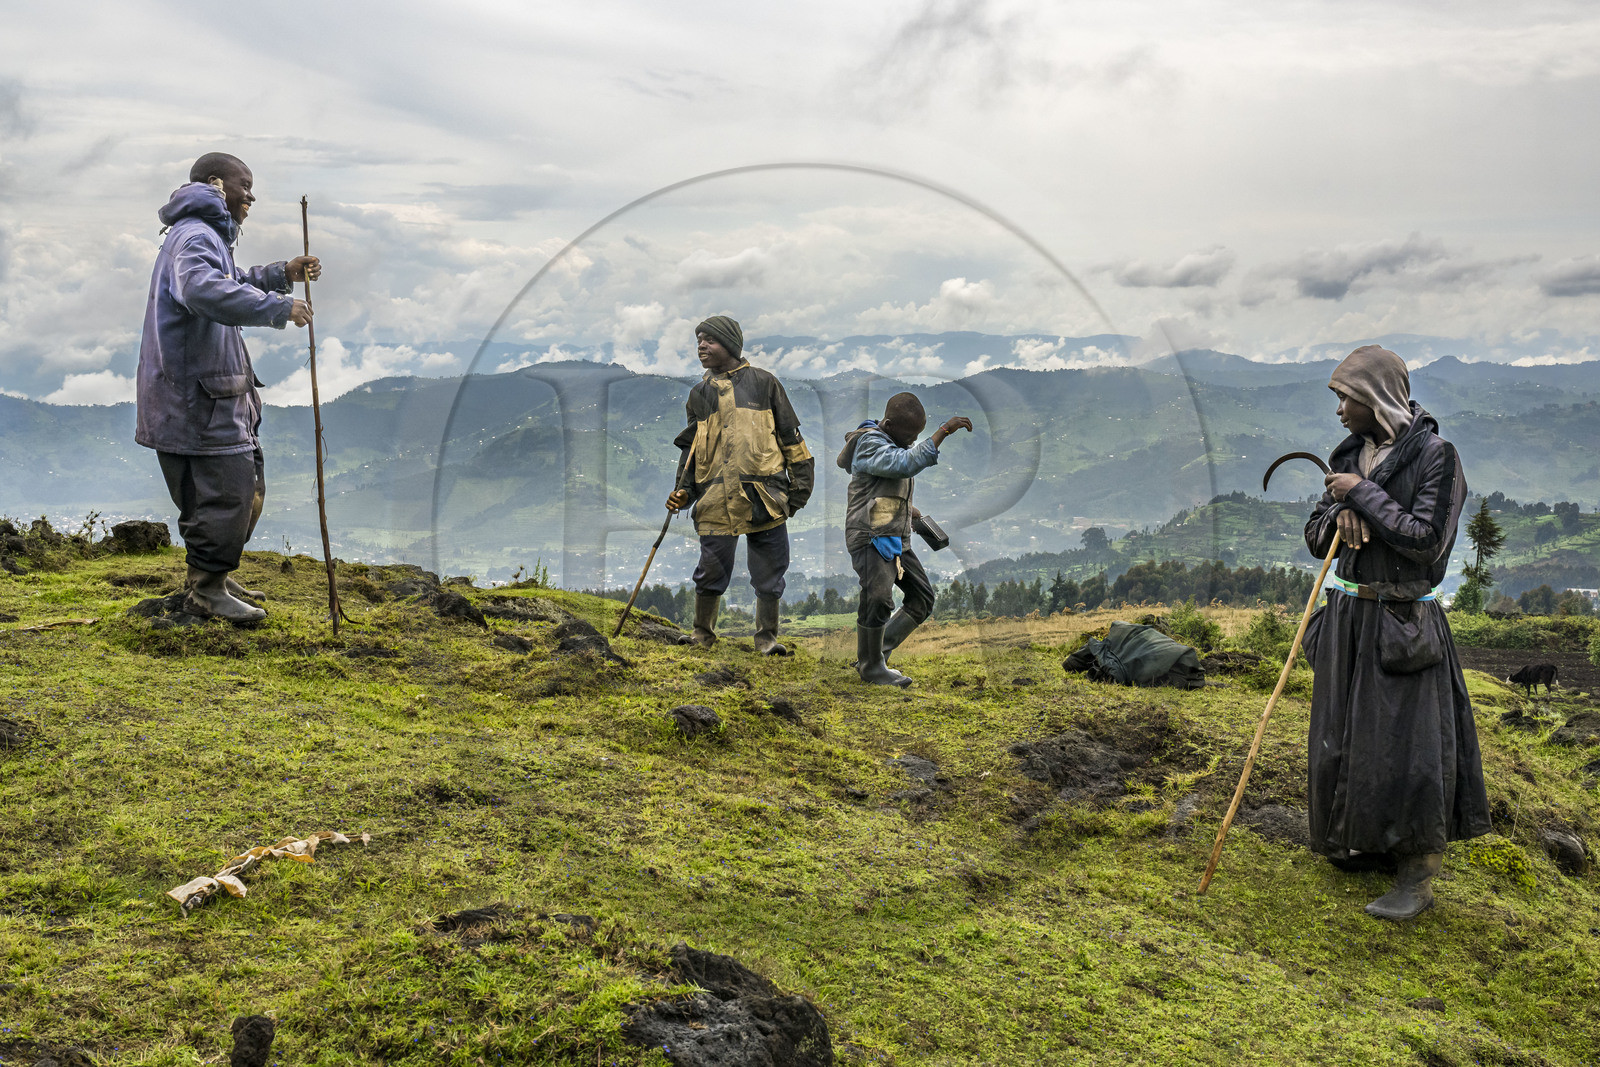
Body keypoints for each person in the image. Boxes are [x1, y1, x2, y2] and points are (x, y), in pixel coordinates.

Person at [1303, 344, 1491, 920]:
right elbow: (1315, 535)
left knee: (1410, 749)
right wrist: (1340, 513)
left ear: (1376, 399)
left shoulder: (1437, 456)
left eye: (1346, 398)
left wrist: (1360, 495)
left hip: (1403, 622)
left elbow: (1426, 540)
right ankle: (1363, 841)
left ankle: (1417, 876)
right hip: (1349, 618)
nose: (1339, 411)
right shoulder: (1350, 452)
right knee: (1351, 737)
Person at [135, 152, 319, 623]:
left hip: (212, 398)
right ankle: (206, 588)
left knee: (242, 489)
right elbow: (201, 289)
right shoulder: (195, 235)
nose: (251, 195)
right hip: (196, 401)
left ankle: (211, 573)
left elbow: (230, 279)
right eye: (245, 185)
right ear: (216, 183)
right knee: (225, 494)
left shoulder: (205, 237)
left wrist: (282, 274)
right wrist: (278, 308)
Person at [665, 316, 813, 652]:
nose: (702, 346)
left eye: (710, 340)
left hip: (766, 498)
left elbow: (792, 441)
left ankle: (767, 638)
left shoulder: (765, 384)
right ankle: (702, 634)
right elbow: (692, 449)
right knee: (710, 569)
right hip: (716, 498)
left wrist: (796, 495)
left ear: (730, 345)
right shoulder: (699, 394)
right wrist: (683, 491)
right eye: (699, 340)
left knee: (770, 571)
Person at [838, 393, 972, 686]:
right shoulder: (870, 443)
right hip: (870, 536)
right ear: (888, 423)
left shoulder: (891, 443)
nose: (912, 441)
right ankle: (872, 666)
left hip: (894, 535)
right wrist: (944, 431)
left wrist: (910, 512)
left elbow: (882, 489)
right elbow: (904, 464)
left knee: (921, 598)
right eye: (909, 435)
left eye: (917, 436)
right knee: (878, 598)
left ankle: (875, 655)